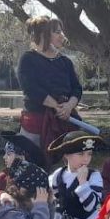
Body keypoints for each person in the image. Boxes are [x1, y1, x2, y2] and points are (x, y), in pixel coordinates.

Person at [17, 15, 83, 162]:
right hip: (35, 124)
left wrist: (68, 107)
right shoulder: (28, 59)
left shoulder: (65, 62)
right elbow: (31, 89)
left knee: (66, 169)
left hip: (65, 121)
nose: (62, 36)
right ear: (43, 34)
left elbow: (77, 88)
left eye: (61, 32)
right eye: (57, 32)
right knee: (31, 165)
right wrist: (57, 107)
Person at [48, 132, 106, 219]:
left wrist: (82, 182)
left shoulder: (94, 176)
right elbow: (59, 203)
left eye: (89, 154)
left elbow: (90, 205)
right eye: (80, 154)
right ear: (66, 155)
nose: (86, 159)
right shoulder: (57, 176)